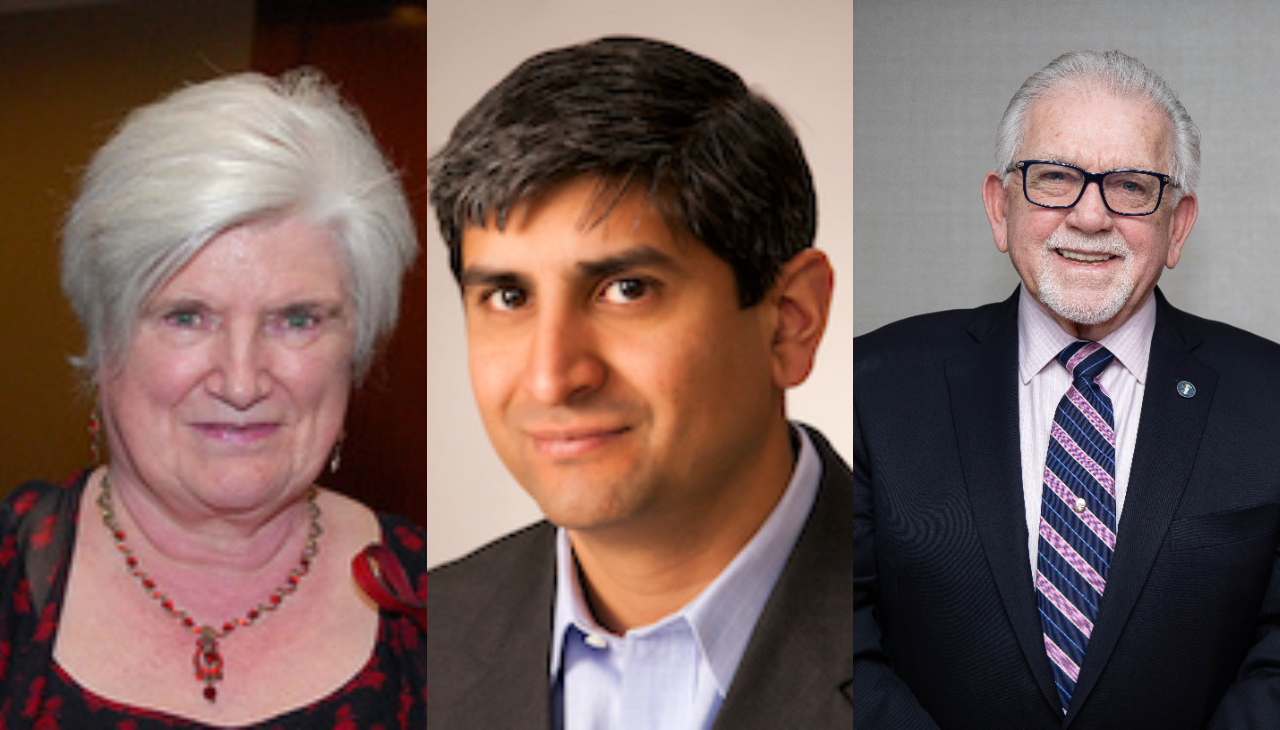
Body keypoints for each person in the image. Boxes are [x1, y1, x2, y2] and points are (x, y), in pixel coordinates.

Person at [425, 36, 862, 728]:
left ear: (790, 322)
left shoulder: (956, 639)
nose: (551, 378)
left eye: (626, 289)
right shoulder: (418, 639)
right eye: (508, 297)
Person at [852, 50, 1280, 728]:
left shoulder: (1270, 399)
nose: (1088, 217)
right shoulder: (872, 387)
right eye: (1054, 178)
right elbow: (838, 629)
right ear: (1000, 208)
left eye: (1132, 186)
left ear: (1179, 224)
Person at [0, 71, 426, 727]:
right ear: (105, 340)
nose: (241, 381)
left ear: (356, 348)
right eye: (187, 317)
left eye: (298, 319)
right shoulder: (10, 579)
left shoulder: (451, 604)